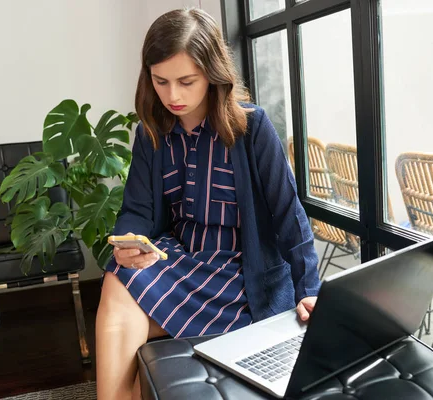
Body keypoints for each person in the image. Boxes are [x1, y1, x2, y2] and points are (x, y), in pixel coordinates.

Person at [95, 7, 320, 400]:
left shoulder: (252, 128)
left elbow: (290, 215)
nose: (173, 95)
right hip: (179, 259)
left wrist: (309, 288)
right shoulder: (152, 132)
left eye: (186, 81)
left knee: (121, 325)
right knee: (118, 275)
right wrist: (129, 241)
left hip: (238, 271)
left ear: (212, 73)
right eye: (160, 81)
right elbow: (137, 209)